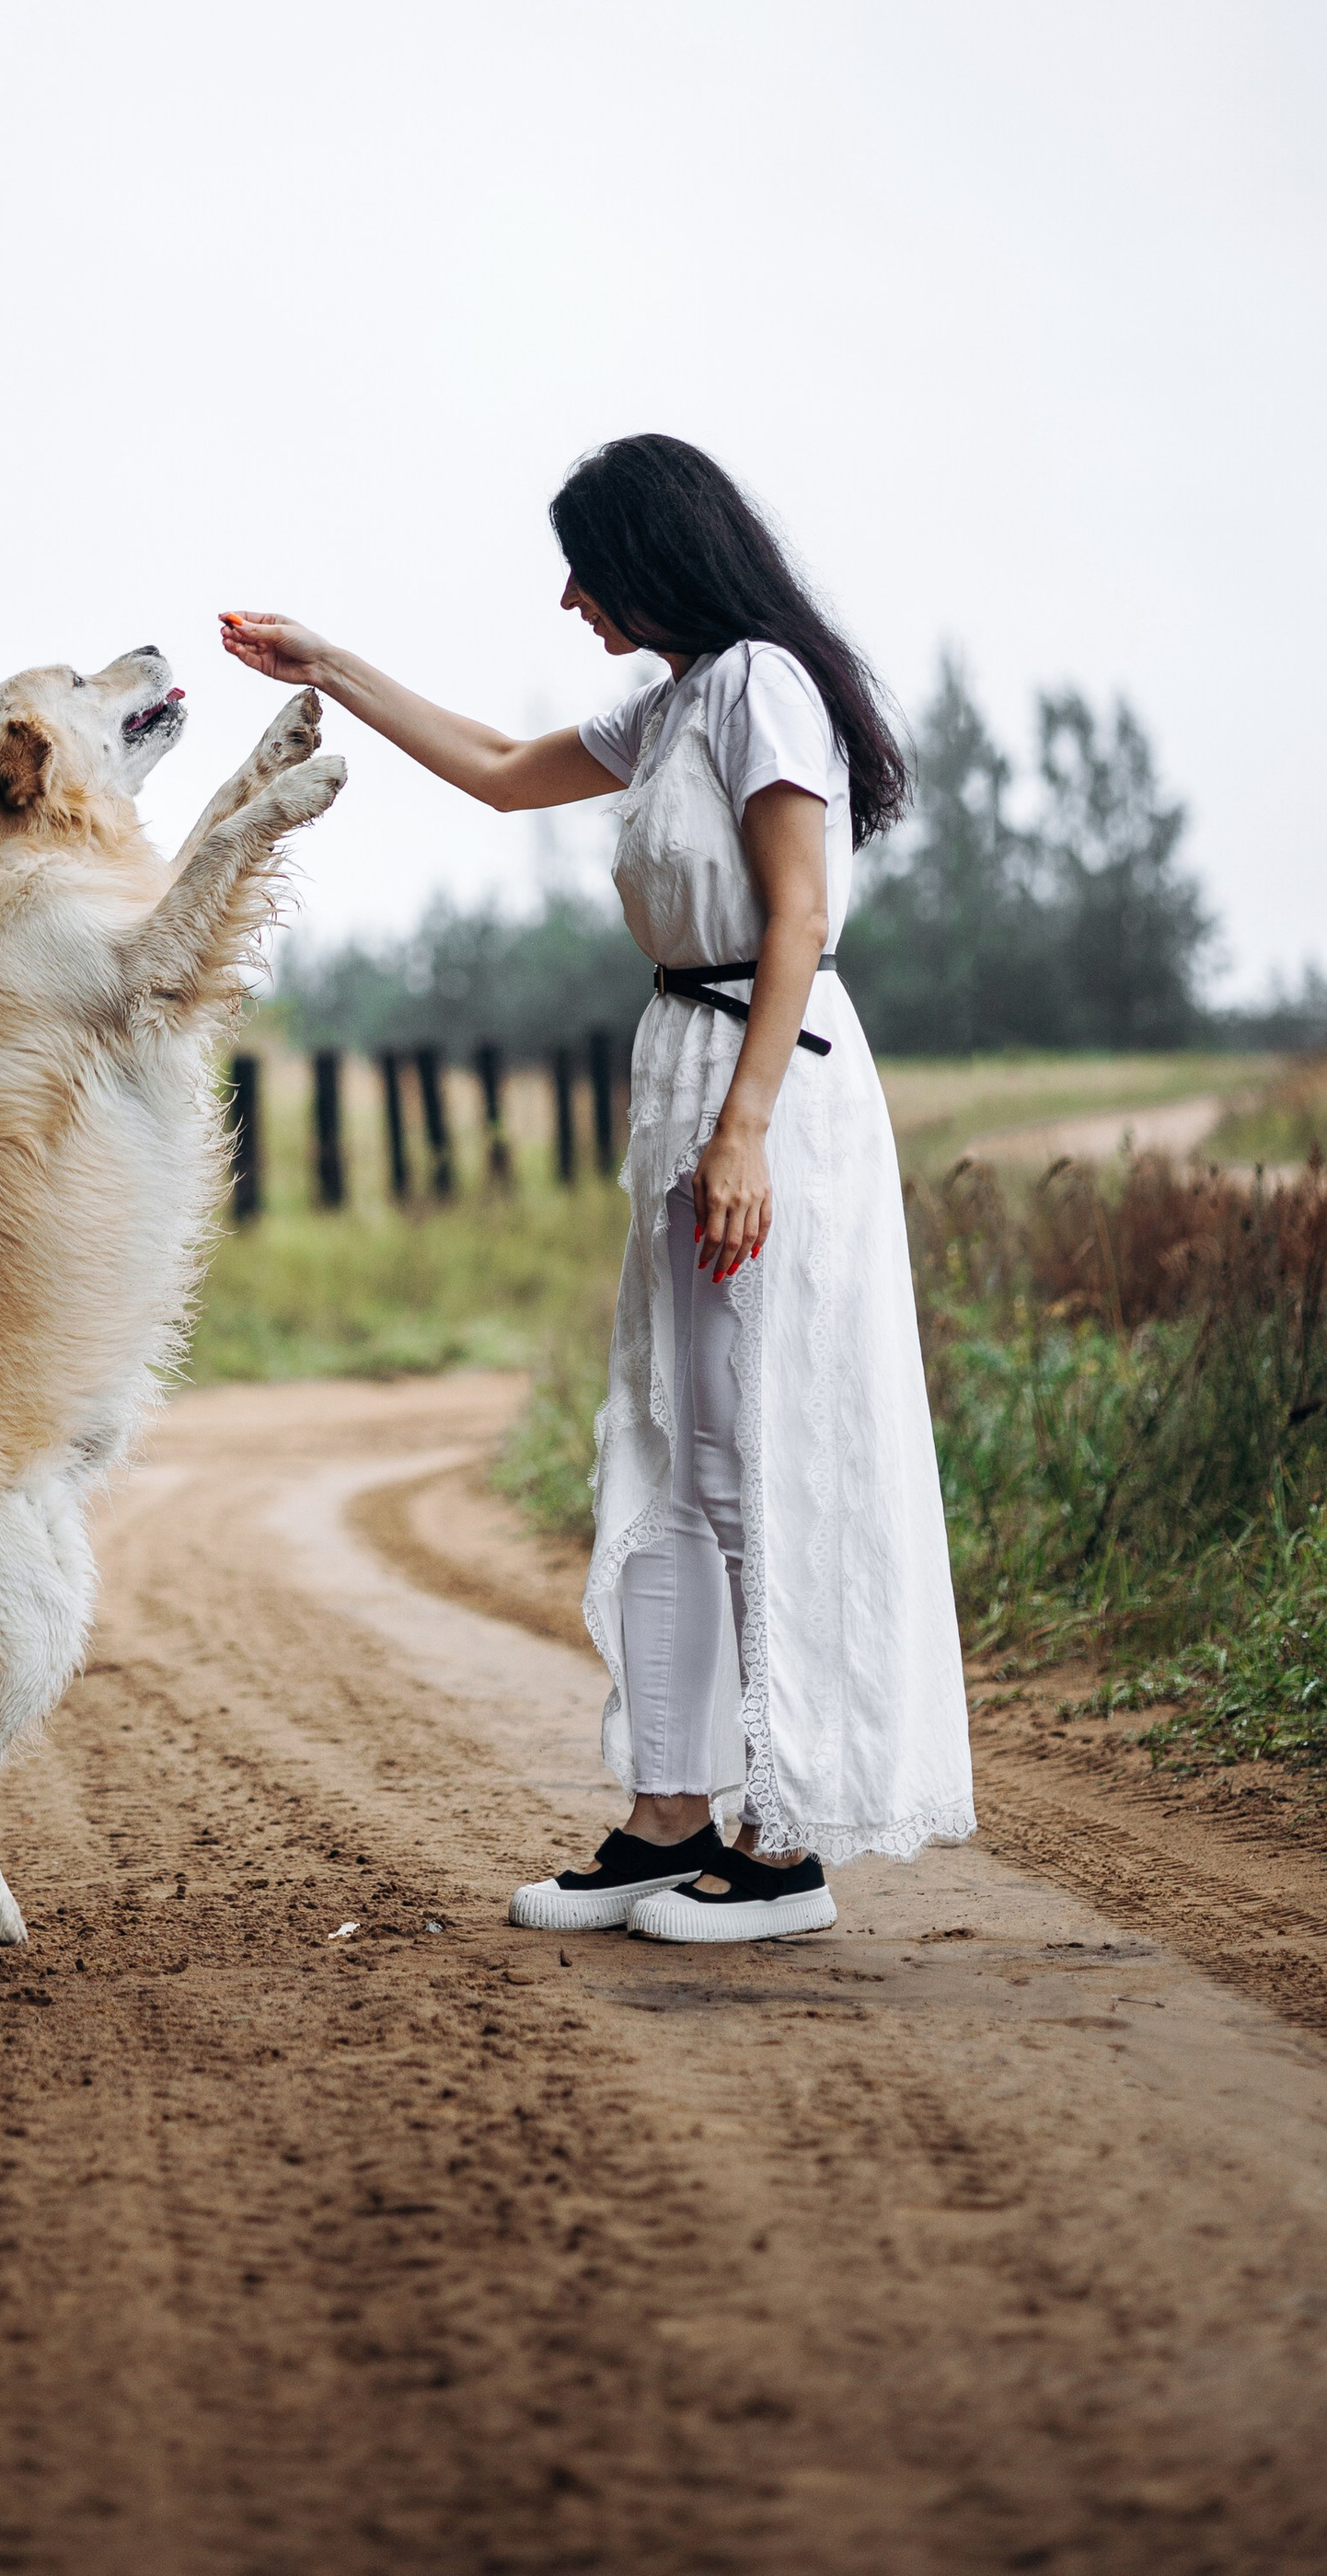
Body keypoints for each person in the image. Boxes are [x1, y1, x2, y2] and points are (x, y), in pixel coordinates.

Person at [220, 434, 974, 1945]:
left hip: (771, 1075)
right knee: (682, 1450)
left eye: (588, 567)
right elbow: (503, 775)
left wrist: (747, 1127)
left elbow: (800, 914)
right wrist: (329, 661)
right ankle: (666, 1818)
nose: (570, 597)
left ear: (657, 553)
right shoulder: (682, 697)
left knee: (758, 1450)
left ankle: (784, 1843)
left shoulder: (764, 680)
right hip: (691, 1073)